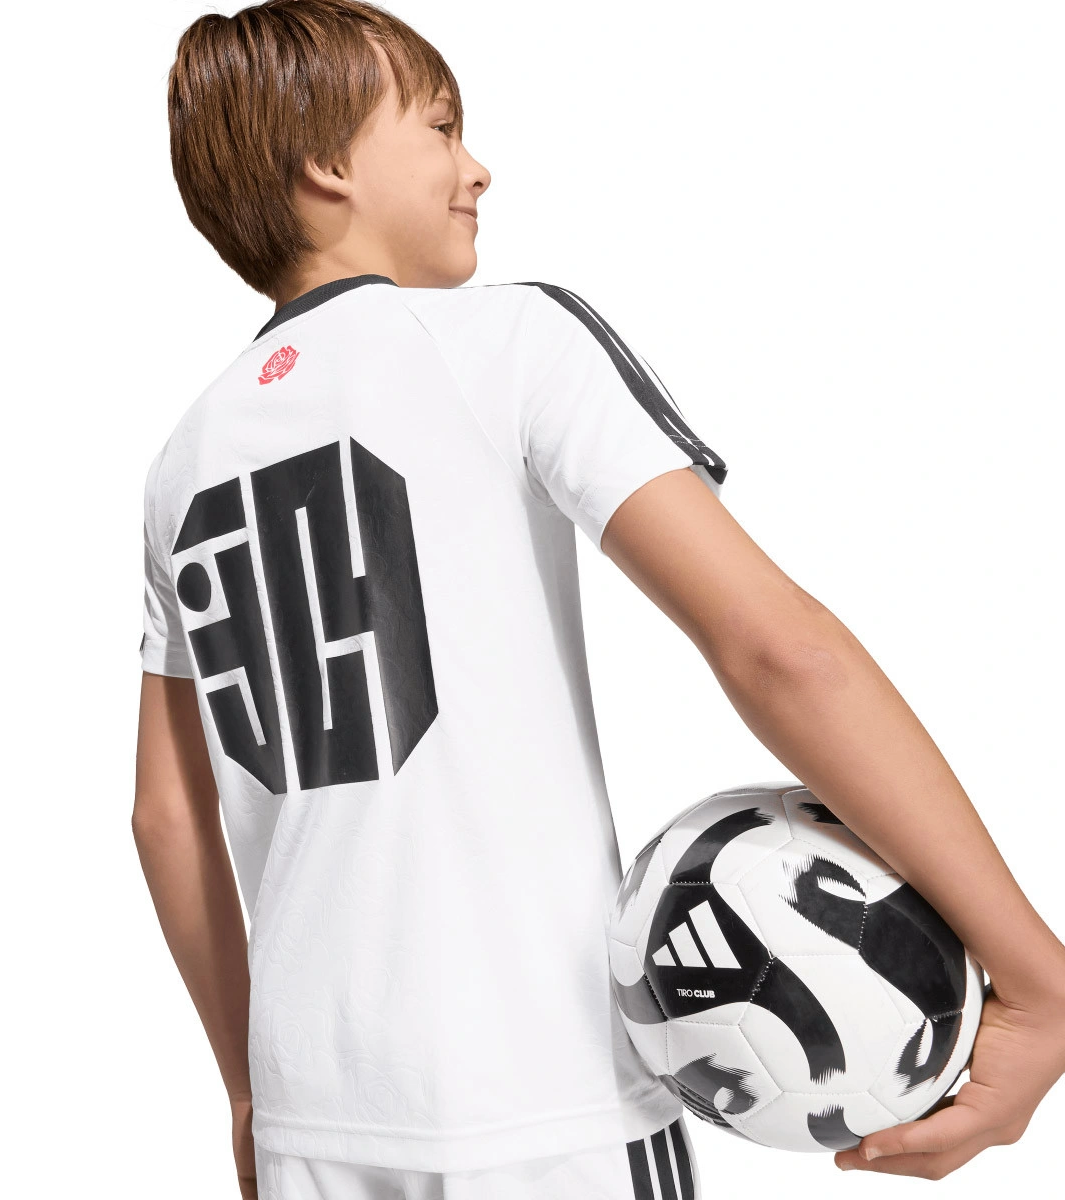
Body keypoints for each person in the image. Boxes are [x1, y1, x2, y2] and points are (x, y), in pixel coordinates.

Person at [133, 3, 1065, 1197]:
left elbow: (167, 816)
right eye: (443, 128)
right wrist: (1037, 978)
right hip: (542, 1104)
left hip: (318, 1119)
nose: (479, 167)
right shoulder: (507, 339)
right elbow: (776, 649)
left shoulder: (186, 456)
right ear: (328, 164)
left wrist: (248, 1090)